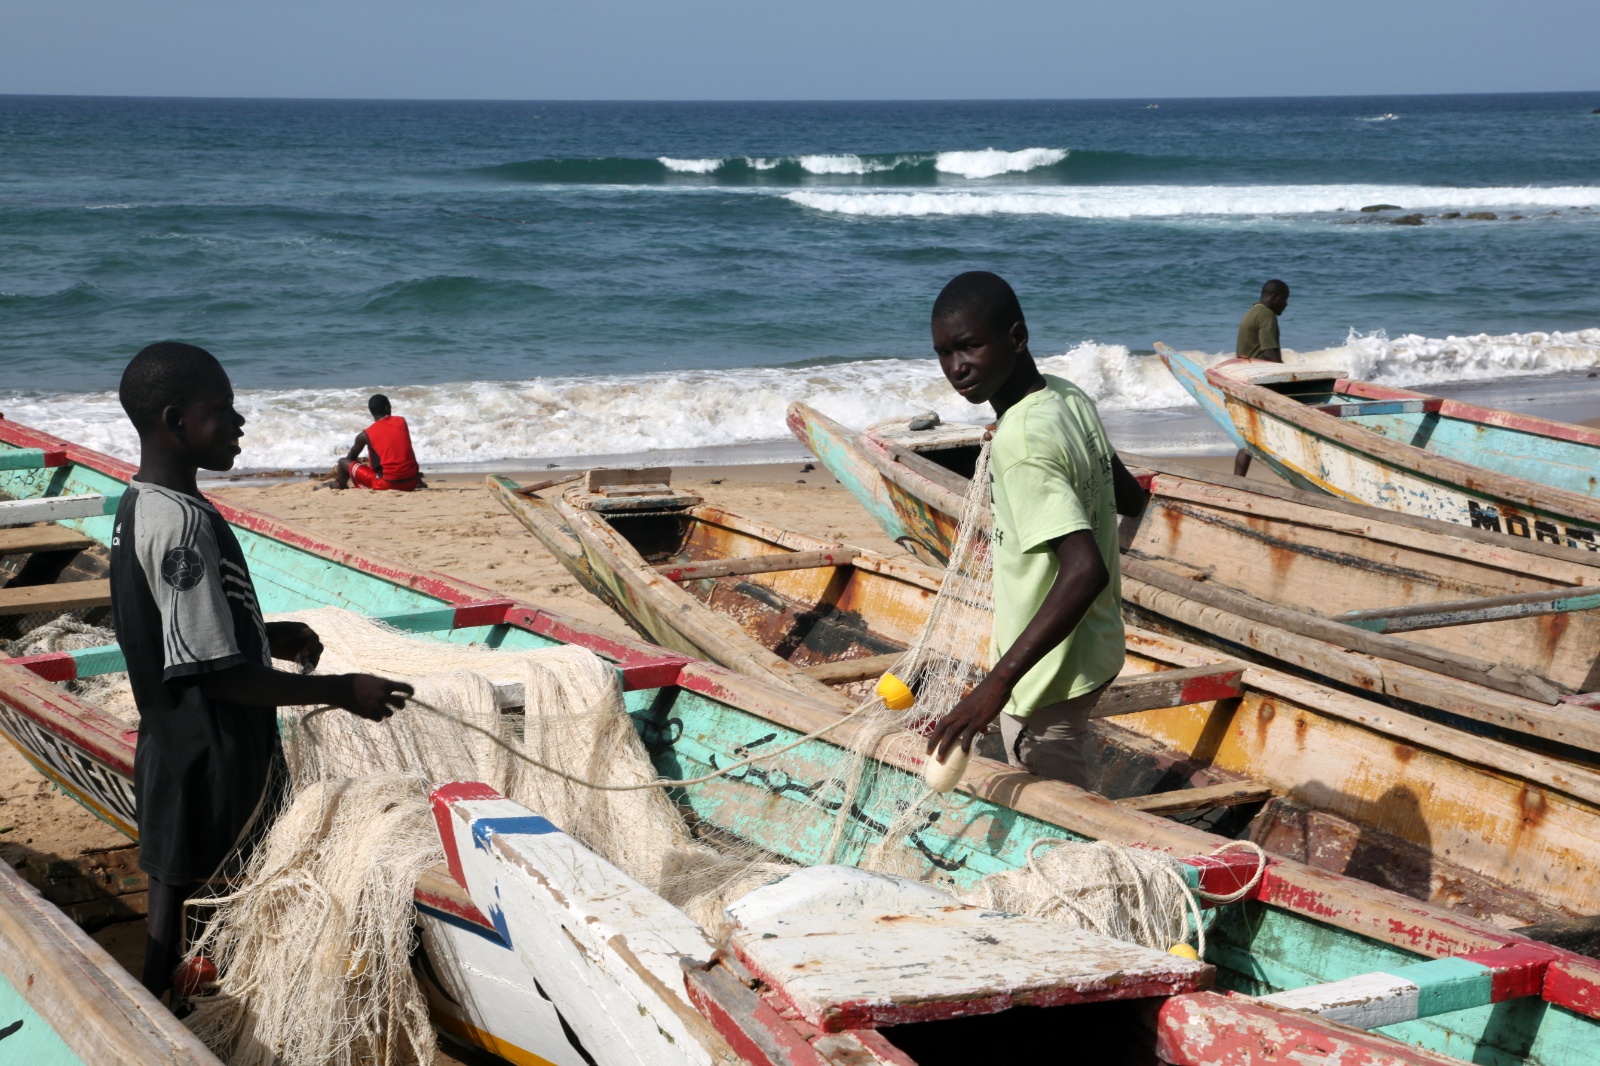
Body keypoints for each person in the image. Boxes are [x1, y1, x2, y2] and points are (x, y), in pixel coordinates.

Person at [111, 342, 414, 1004]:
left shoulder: (147, 503)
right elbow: (217, 677)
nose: (239, 421)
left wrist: (266, 634)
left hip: (180, 749)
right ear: (174, 420)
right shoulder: (180, 527)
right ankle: (175, 1021)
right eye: (221, 410)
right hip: (211, 760)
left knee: (182, 900)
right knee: (206, 906)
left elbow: (179, 631)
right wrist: (343, 690)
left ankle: (180, 1006)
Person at [925, 272, 1148, 788]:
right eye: (943, 353)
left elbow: (1085, 569)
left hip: (1044, 680)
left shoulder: (1020, 443)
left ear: (1016, 338)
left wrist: (997, 684)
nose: (956, 368)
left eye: (970, 346)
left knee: (1063, 820)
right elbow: (1131, 497)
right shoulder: (1066, 397)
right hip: (1096, 646)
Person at [1232, 279, 1290, 477]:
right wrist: (1288, 383)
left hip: (1246, 379)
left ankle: (1238, 481)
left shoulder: (1252, 312)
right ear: (1275, 297)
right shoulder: (1266, 315)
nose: (1286, 304)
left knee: (1249, 437)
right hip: (1260, 382)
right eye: (1285, 299)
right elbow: (1270, 355)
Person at [333, 393, 420, 491]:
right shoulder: (401, 421)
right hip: (412, 482)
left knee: (342, 462)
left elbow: (351, 458)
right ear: (387, 408)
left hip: (387, 484)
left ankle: (341, 486)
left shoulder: (365, 435)